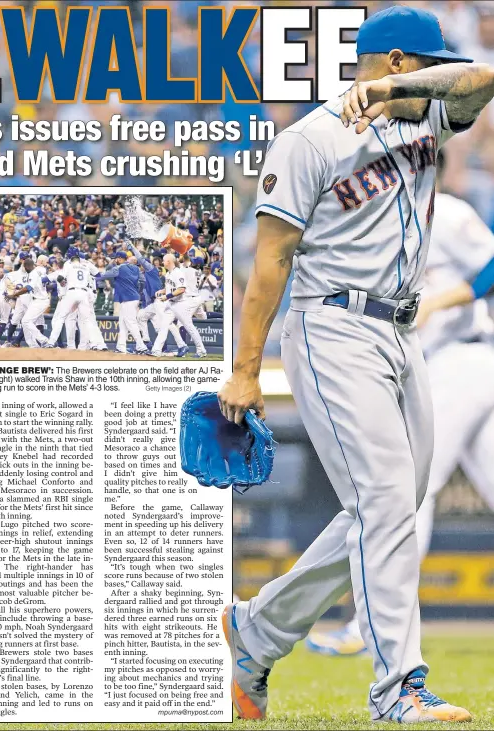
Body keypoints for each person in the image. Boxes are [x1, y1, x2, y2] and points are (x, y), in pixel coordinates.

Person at [217, 6, 493, 724]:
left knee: (391, 505)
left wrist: (401, 89)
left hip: (402, 335)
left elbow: (484, 78)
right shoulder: (308, 140)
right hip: (331, 326)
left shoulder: (424, 117)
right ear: (396, 59)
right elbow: (269, 262)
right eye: (424, 60)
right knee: (382, 504)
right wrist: (245, 369)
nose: (440, 73)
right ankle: (396, 688)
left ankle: (256, 631)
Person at [305, 151, 494, 658]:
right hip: (440, 366)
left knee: (411, 484)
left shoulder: (447, 212)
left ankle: (375, 628)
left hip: (466, 357)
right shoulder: (373, 226)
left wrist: (440, 300)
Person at [127, 241, 188, 356]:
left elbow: (140, 259)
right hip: (155, 302)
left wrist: (133, 248)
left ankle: (182, 345)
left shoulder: (151, 269)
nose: (140, 267)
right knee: (141, 316)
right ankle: (146, 342)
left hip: (161, 302)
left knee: (167, 324)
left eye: (140, 265)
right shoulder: (145, 275)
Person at [152, 253, 207, 358]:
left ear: (169, 262)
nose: (162, 262)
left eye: (164, 260)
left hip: (180, 304)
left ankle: (201, 350)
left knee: (189, 327)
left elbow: (181, 289)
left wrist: (166, 296)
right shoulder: (168, 274)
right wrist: (162, 291)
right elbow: (170, 289)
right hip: (171, 304)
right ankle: (156, 350)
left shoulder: (178, 273)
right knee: (163, 325)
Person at [99, 251, 149, 355]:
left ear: (120, 258)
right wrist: (138, 291)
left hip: (128, 300)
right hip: (133, 298)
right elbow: (143, 281)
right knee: (122, 323)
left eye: (116, 258)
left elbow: (104, 275)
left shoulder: (118, 268)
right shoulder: (136, 268)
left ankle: (141, 346)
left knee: (131, 322)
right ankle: (121, 347)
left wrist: (94, 274)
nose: (115, 260)